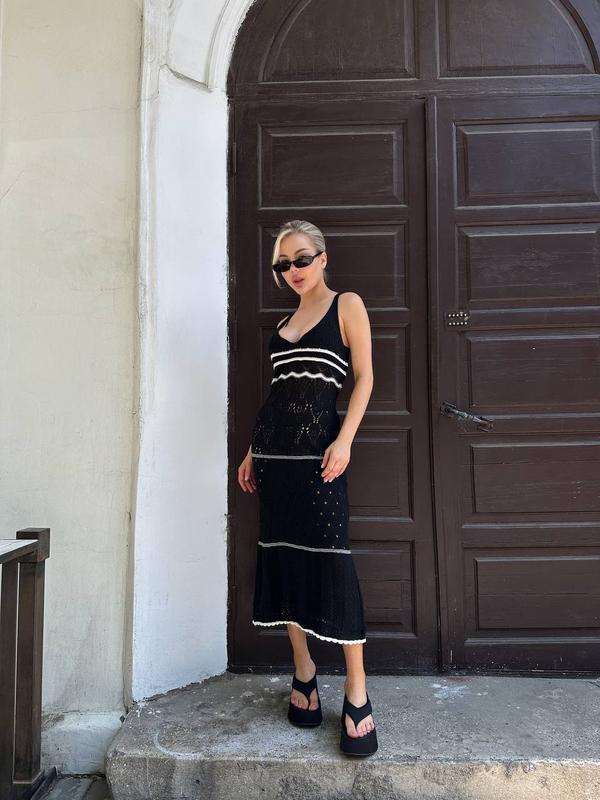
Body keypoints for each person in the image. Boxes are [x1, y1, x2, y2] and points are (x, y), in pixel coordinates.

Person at [237, 219, 377, 756]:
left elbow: (364, 377)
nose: (292, 270)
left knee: (331, 562)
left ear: (322, 258)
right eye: (283, 264)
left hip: (320, 461)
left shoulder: (346, 305)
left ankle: (357, 690)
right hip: (274, 461)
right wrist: (252, 451)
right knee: (283, 558)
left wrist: (345, 441)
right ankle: (304, 672)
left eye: (301, 259)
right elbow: (277, 396)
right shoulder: (283, 325)